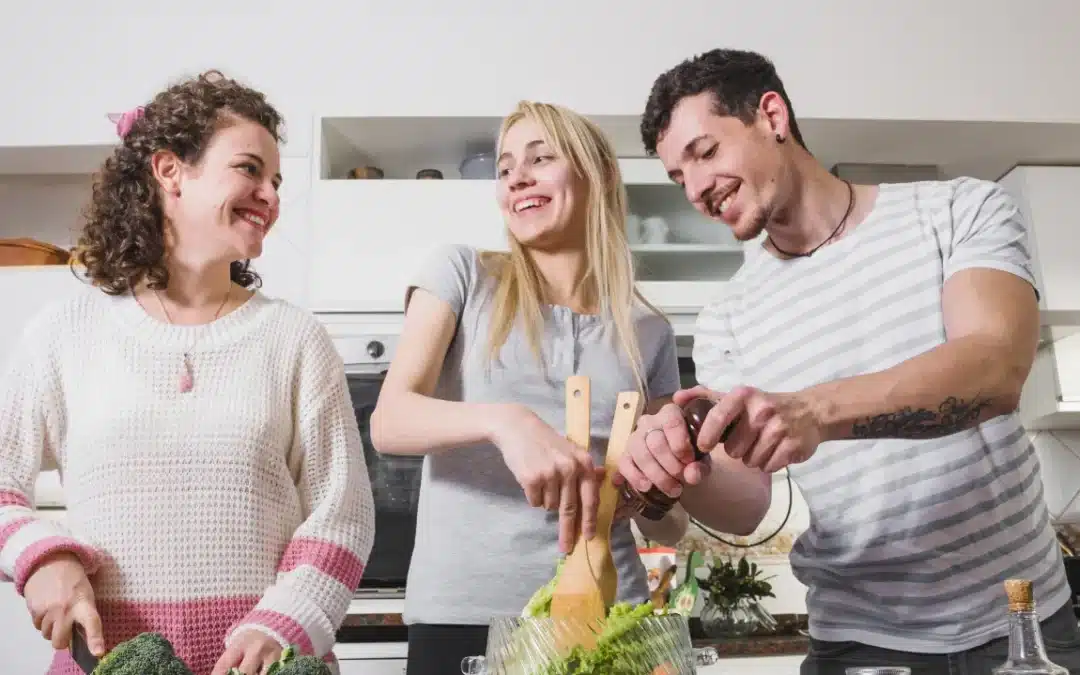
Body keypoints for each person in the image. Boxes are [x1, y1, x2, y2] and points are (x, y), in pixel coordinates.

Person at [615, 47, 1080, 674]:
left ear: (771, 115)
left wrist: (815, 410)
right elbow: (746, 503)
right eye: (678, 177)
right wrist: (681, 466)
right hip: (857, 642)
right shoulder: (730, 313)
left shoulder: (957, 211)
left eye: (705, 153)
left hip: (1021, 624)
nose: (696, 189)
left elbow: (994, 368)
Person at [370, 99, 771, 675]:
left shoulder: (646, 330)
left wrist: (652, 492)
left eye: (540, 158)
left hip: (612, 616)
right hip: (467, 616)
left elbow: (665, 518)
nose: (518, 179)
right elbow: (390, 422)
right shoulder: (462, 275)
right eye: (506, 168)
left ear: (596, 176)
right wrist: (506, 422)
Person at [0, 70, 375, 675]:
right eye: (249, 169)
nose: (272, 195)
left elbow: (343, 513)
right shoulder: (64, 334)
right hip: (109, 663)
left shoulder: (294, 339)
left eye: (276, 180)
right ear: (170, 170)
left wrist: (282, 622)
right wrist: (42, 559)